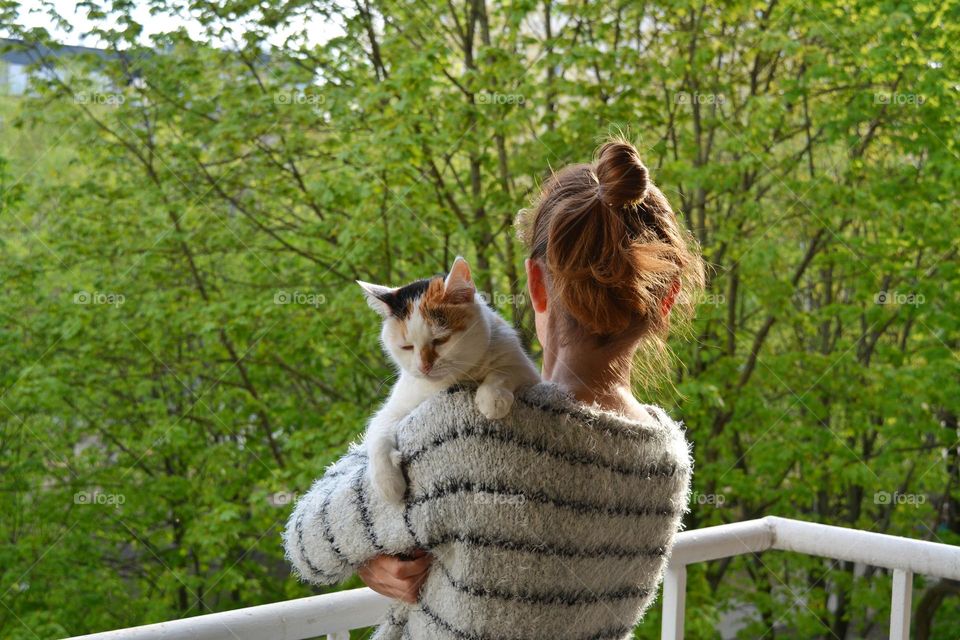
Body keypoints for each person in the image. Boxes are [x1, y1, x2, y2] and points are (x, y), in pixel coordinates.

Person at [284, 138, 705, 639]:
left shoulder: (471, 429)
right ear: (667, 299)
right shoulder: (667, 459)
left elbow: (308, 547)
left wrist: (368, 547)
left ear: (537, 283)